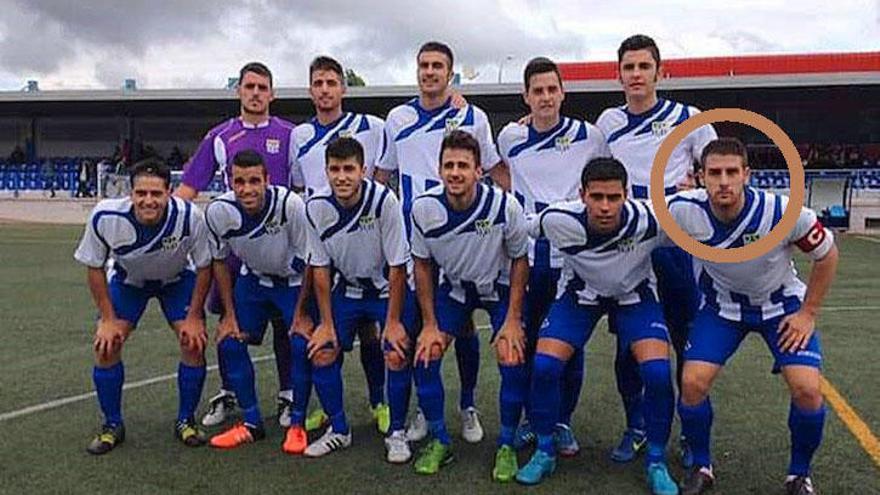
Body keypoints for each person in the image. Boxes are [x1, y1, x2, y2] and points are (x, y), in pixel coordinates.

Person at [668, 138, 838, 495]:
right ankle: (702, 465)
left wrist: (808, 313)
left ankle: (799, 475)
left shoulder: (782, 212)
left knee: (808, 389)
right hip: (722, 307)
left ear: (747, 174)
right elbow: (633, 215)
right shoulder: (682, 209)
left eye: (732, 172)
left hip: (781, 307)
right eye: (714, 173)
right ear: (700, 177)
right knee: (693, 382)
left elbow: (827, 254)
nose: (724, 181)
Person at [375, 41, 511, 443]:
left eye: (437, 66)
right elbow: (383, 174)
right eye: (423, 65)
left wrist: (520, 200)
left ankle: (467, 405)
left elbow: (494, 167)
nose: (429, 72)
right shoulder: (397, 118)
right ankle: (423, 409)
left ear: (450, 74)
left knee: (464, 326)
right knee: (418, 331)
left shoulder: (472, 115)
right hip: (415, 242)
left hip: (465, 240)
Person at [516, 158, 678, 495]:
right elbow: (515, 227)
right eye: (597, 197)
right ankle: (545, 450)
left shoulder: (652, 218)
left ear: (627, 195)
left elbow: (704, 215)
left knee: (658, 373)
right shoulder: (559, 219)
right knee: (545, 365)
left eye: (614, 197)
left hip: (635, 295)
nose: (605, 206)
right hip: (580, 295)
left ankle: (656, 460)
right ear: (582, 195)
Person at [595, 34, 717, 465]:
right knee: (629, 345)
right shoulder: (608, 123)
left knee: (686, 342)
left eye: (644, 67)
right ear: (619, 74)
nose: (636, 75)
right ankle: (637, 426)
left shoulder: (691, 118)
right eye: (628, 67)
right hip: (627, 248)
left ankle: (688, 431)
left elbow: (716, 170)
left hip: (675, 248)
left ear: (659, 72)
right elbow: (596, 173)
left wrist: (699, 182)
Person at [497, 56, 611, 455]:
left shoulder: (590, 135)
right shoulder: (509, 138)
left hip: (573, 257)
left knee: (569, 343)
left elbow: (610, 177)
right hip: (527, 256)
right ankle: (534, 418)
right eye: (537, 91)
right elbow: (498, 173)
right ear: (525, 96)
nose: (545, 97)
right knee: (526, 339)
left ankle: (561, 421)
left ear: (563, 92)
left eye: (551, 89)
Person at [177, 62, 299, 429]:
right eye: (250, 87)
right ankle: (230, 391)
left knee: (286, 326)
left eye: (263, 87)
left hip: (282, 245)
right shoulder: (220, 136)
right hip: (235, 248)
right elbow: (189, 188)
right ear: (239, 92)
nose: (256, 93)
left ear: (272, 94)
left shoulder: (293, 134)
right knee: (228, 322)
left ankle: (289, 395)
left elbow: (308, 186)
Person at [409, 131, 529, 480]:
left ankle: (506, 443)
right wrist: (429, 323)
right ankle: (440, 439)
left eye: (464, 165)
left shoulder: (504, 205)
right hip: (456, 288)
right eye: (449, 165)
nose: (455, 172)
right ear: (439, 169)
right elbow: (421, 264)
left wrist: (512, 319)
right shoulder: (424, 208)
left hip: (498, 288)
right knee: (426, 352)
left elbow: (521, 260)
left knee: (511, 352)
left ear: (479, 171)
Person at [74, 159, 212, 455]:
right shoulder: (106, 215)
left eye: (156, 194)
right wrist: (108, 319)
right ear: (131, 192)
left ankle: (186, 420)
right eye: (141, 193)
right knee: (106, 345)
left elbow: (204, 267)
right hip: (129, 281)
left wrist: (194, 316)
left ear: (169, 192)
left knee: (194, 342)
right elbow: (94, 267)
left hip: (176, 279)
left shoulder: (190, 217)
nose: (148, 200)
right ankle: (112, 425)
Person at [297, 137, 415, 461]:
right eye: (335, 169)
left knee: (396, 352)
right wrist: (326, 324)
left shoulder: (384, 201)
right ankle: (339, 429)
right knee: (321, 350)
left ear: (363, 170)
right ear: (326, 171)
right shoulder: (316, 206)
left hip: (385, 291)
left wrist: (391, 322)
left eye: (349, 169)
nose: (342, 177)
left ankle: (398, 432)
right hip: (346, 290)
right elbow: (319, 268)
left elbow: (397, 266)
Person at [290, 56, 390, 435]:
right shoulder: (299, 136)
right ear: (310, 89)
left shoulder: (372, 126)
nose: (326, 89)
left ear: (343, 88)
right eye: (318, 83)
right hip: (323, 240)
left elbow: (383, 170)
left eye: (332, 82)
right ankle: (329, 410)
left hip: (364, 236)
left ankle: (378, 400)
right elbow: (300, 183)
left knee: (371, 331)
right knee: (322, 328)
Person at [204, 149, 310, 451]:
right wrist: (228, 313)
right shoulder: (218, 212)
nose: (247, 189)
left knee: (301, 343)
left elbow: (311, 260)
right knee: (229, 340)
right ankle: (252, 423)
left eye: (254, 181)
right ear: (230, 182)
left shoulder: (290, 204)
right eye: (239, 181)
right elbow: (220, 262)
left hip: (293, 282)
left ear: (267, 179)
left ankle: (298, 422)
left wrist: (302, 312)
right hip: (253, 281)